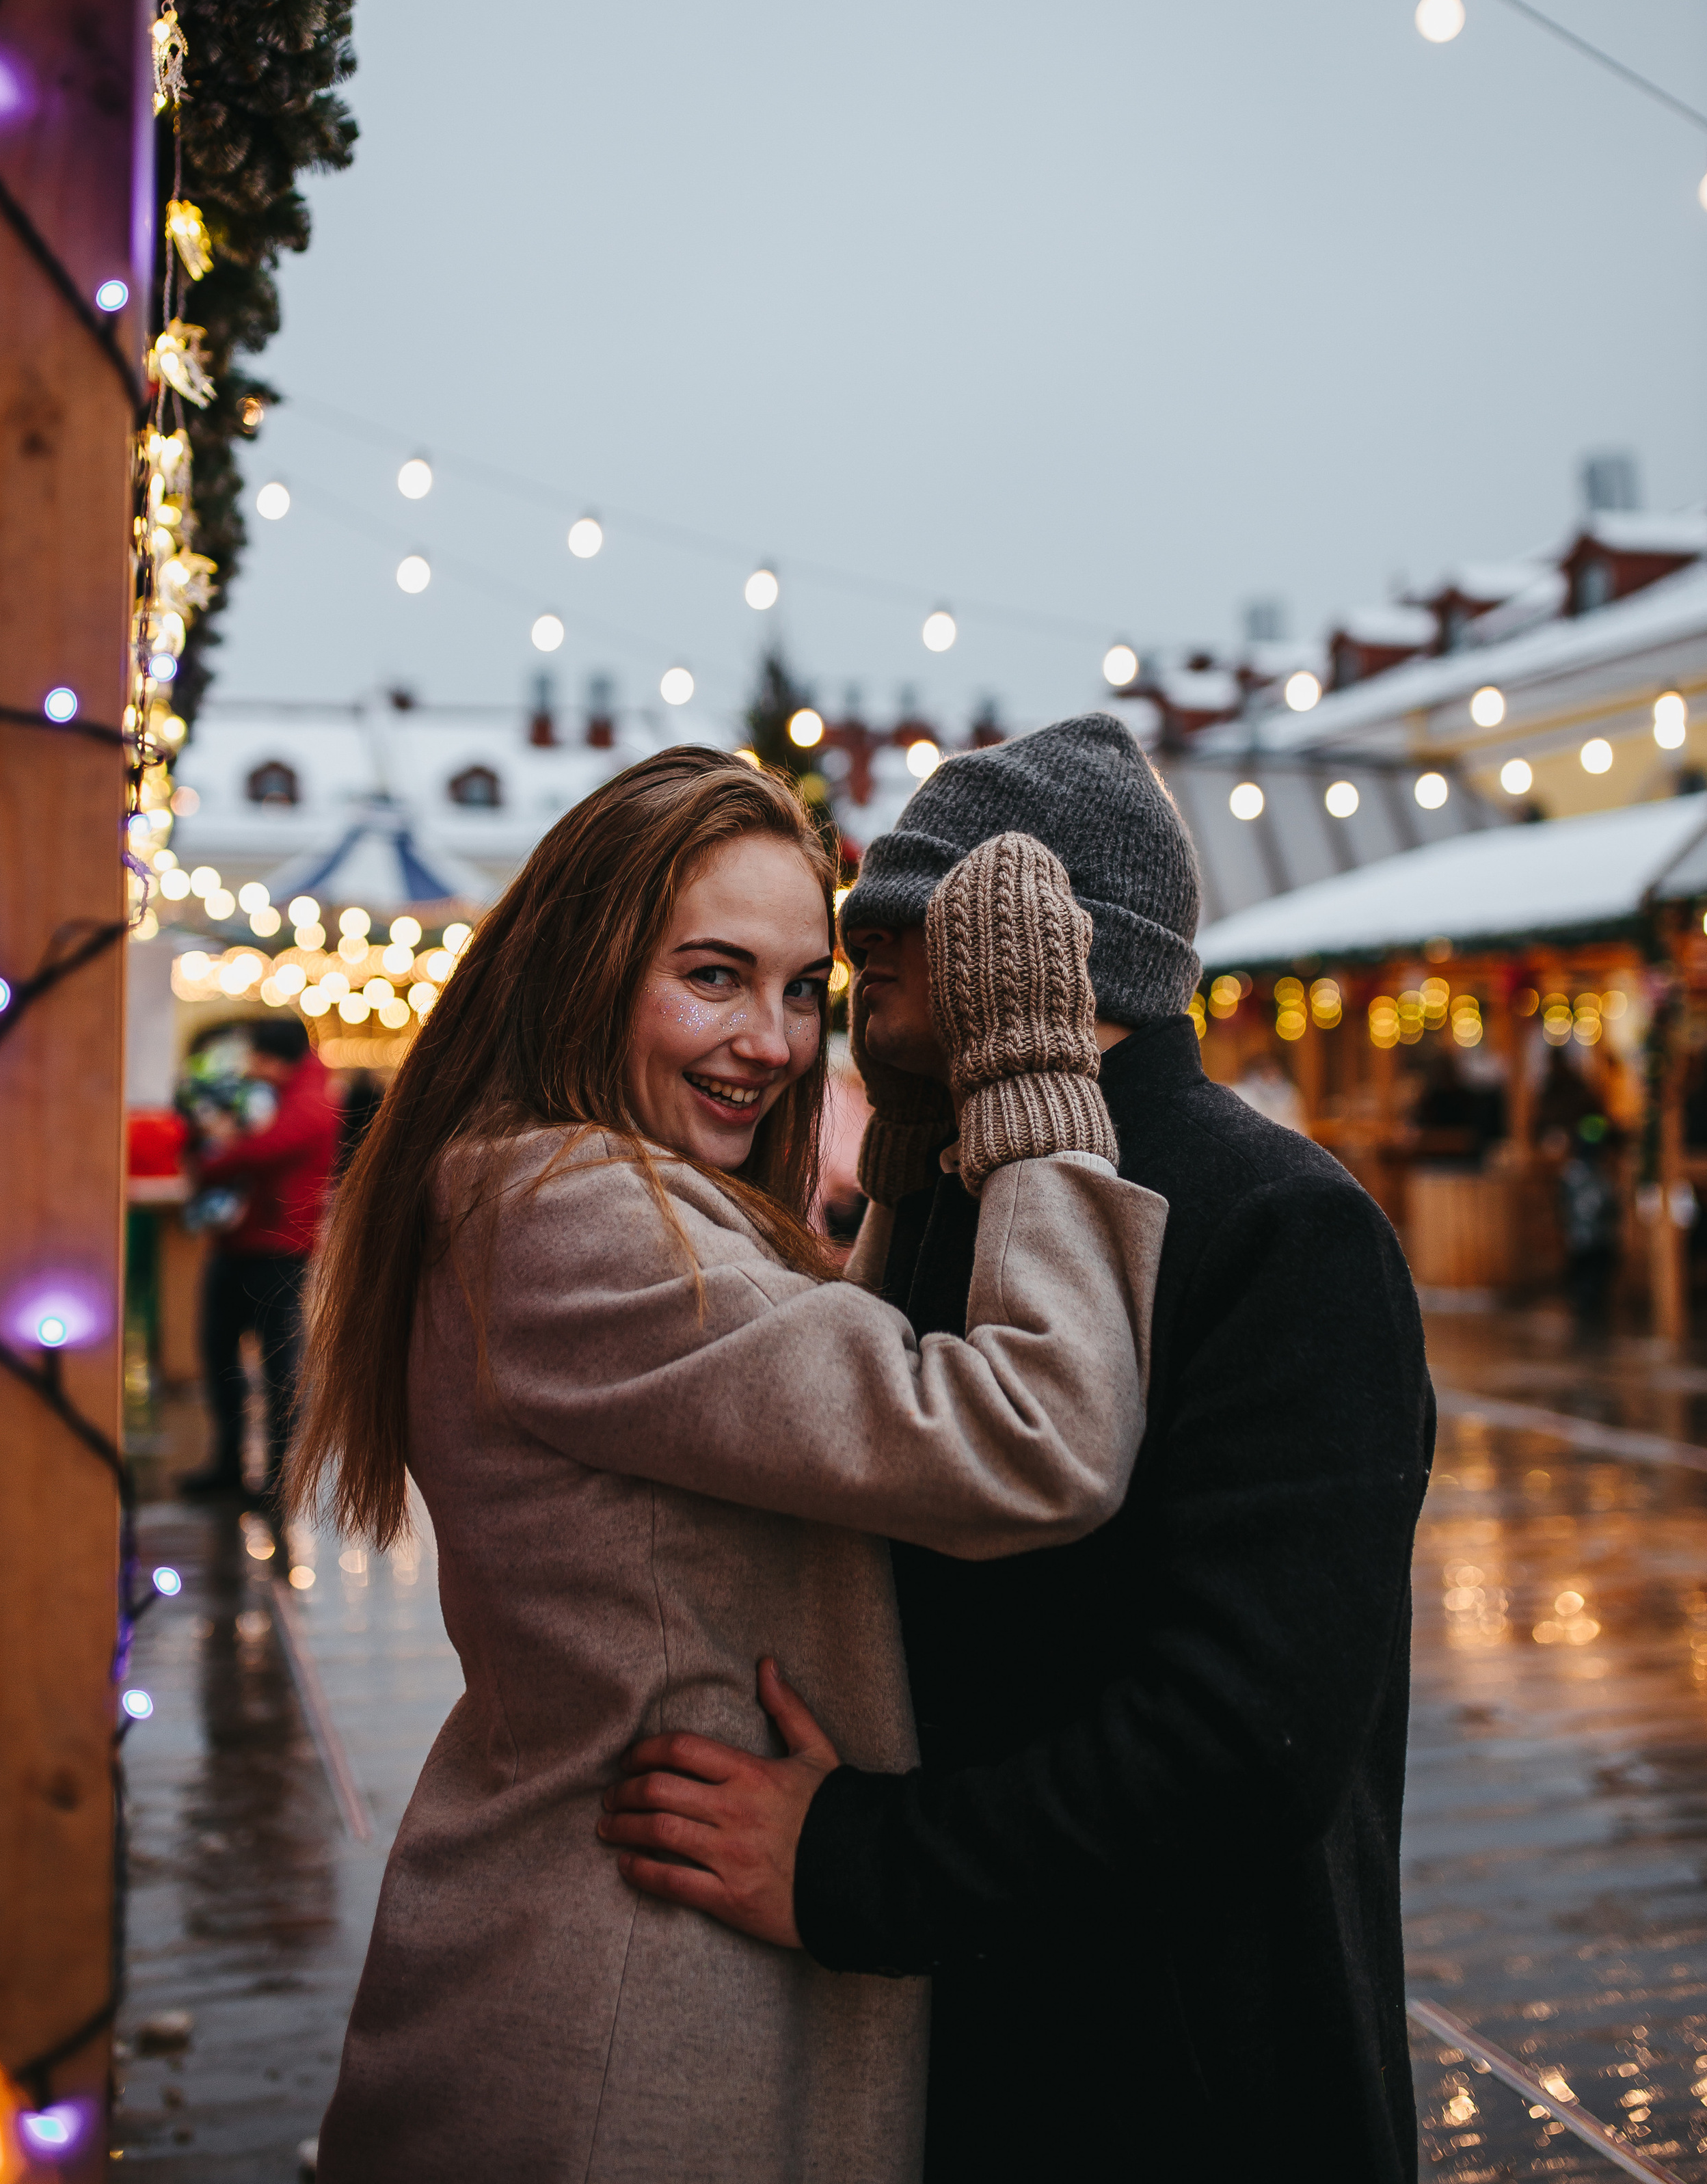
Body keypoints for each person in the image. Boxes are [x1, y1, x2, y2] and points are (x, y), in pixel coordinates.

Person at [289, 749, 1165, 2184]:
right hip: (631, 2011)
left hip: (623, 1944)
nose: (770, 1040)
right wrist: (1028, 1079)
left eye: (803, 990)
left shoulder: (568, 1188)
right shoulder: (572, 1213)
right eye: (711, 976)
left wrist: (895, 1152)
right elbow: (1034, 1440)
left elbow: (815, 1380)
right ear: (582, 970)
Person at [604, 714, 1436, 2184]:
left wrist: (856, 1863)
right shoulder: (943, 1198)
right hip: (961, 2056)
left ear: (1029, 943)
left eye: (888, 939)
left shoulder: (1276, 1224)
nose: (852, 987)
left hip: (1188, 2085)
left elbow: (1249, 1745)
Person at [180, 1013, 338, 1516]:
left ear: (280, 1059)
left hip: (280, 1248)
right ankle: (229, 1463)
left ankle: (275, 1479)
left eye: (259, 1058)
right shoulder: (270, 1091)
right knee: (219, 1354)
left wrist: (212, 1163)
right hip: (239, 1243)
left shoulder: (311, 1098)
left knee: (278, 1367)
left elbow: (269, 1148)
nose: (251, 1066)